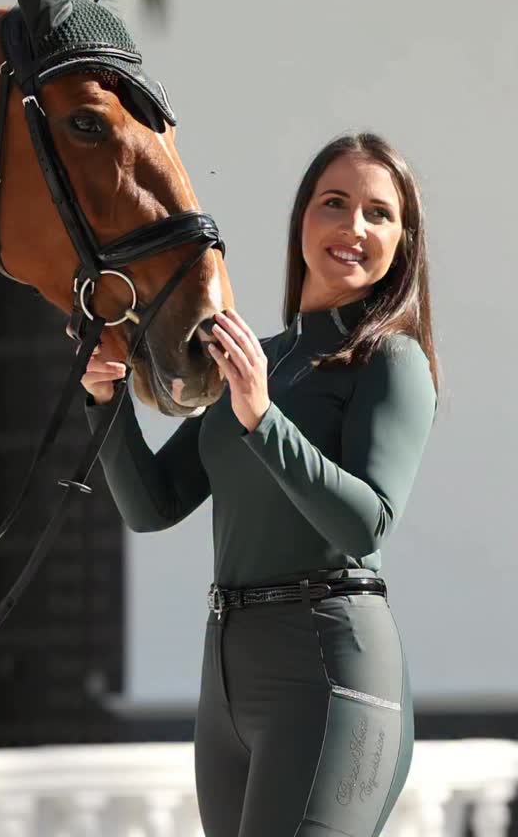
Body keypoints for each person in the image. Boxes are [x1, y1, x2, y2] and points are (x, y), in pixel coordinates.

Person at [82, 131, 439, 837]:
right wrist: (107, 403)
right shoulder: (256, 360)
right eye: (334, 203)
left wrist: (261, 417)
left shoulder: (391, 361)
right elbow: (153, 505)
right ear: (302, 217)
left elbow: (367, 524)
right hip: (226, 674)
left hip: (331, 668)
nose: (353, 228)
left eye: (378, 214)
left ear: (402, 242)